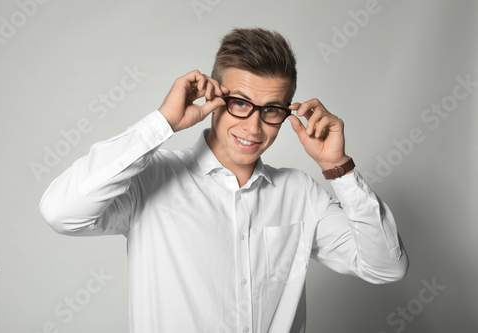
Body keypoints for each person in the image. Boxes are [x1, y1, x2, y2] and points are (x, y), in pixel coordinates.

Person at [40, 28, 408, 333]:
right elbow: (61, 212)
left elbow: (386, 266)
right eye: (240, 103)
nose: (253, 126)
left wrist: (338, 166)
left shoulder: (300, 194)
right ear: (214, 97)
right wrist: (162, 123)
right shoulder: (149, 179)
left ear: (286, 111)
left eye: (271, 110)